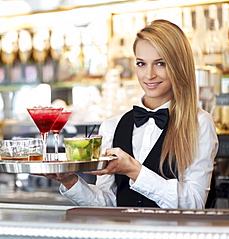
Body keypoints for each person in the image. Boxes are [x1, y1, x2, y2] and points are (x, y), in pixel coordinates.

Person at [44, 19, 218, 209]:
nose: (149, 75)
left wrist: (134, 171)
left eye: (160, 63)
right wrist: (70, 181)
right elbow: (108, 203)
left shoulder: (199, 123)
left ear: (178, 66)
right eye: (141, 63)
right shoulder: (112, 126)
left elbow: (194, 203)